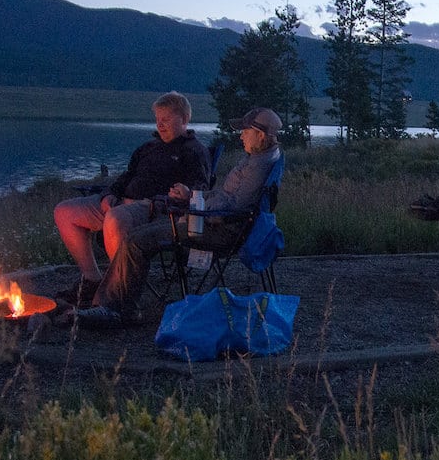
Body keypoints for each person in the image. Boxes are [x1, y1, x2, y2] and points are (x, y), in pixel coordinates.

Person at [75, 106, 283, 328]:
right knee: (137, 237)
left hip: (215, 230)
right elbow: (225, 196)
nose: (241, 135)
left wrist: (193, 207)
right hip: (214, 222)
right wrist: (193, 196)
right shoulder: (261, 157)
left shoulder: (258, 166)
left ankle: (115, 309)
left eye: (245, 131)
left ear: (260, 135)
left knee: (135, 241)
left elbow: (233, 206)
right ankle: (112, 303)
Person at [54, 91, 212, 318]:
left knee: (115, 219)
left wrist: (187, 193)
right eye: (158, 118)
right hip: (119, 203)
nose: (160, 124)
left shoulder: (194, 150)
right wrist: (110, 194)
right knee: (65, 212)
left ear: (184, 119)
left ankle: (117, 299)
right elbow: (127, 176)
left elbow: (202, 188)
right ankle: (92, 279)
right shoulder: (147, 148)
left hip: (153, 210)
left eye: (166, 119)